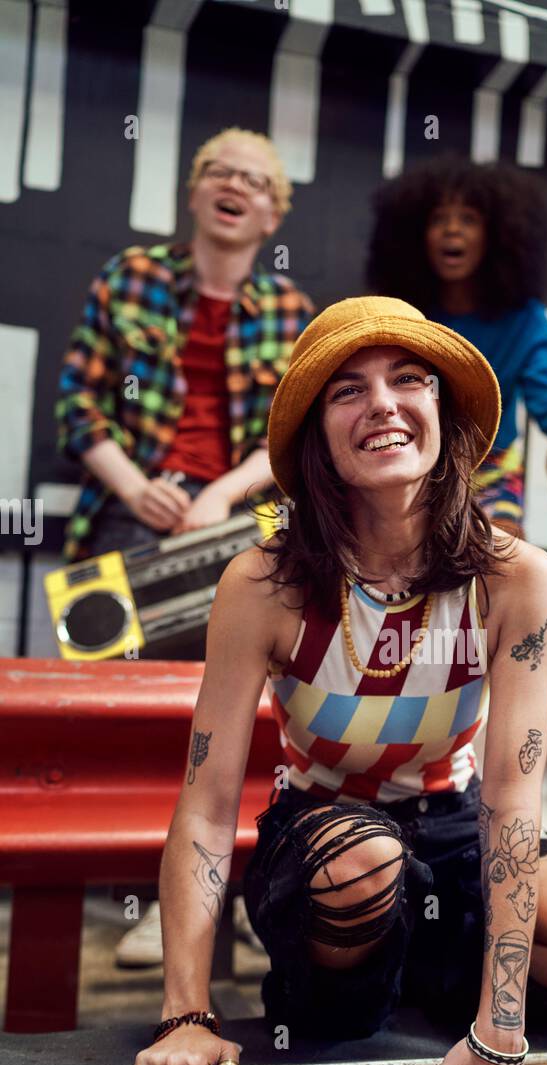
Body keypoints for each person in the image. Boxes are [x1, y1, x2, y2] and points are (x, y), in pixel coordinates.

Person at [129, 295, 547, 1065]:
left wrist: (499, 1031)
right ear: (317, 438)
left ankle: (430, 995)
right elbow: (204, 804)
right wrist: (186, 1012)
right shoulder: (261, 582)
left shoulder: (516, 576)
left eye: (407, 380)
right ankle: (342, 1003)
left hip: (451, 827)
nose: (381, 402)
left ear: (440, 414)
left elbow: (511, 801)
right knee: (365, 865)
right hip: (324, 833)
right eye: (347, 391)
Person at [55, 126, 314, 967]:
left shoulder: (289, 309)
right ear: (195, 191)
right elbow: (78, 408)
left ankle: (244, 888)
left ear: (271, 213)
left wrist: (217, 493)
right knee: (120, 694)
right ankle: (147, 893)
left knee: (263, 691)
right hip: (131, 512)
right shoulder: (128, 278)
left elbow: (294, 436)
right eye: (220, 173)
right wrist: (138, 487)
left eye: (255, 181)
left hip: (249, 514)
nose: (235, 186)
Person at [366, 156, 547, 539]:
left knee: (502, 557)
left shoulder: (525, 321)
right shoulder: (399, 314)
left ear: (497, 236)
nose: (452, 231)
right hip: (408, 463)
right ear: (415, 235)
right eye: (438, 219)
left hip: (492, 469)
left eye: (468, 219)